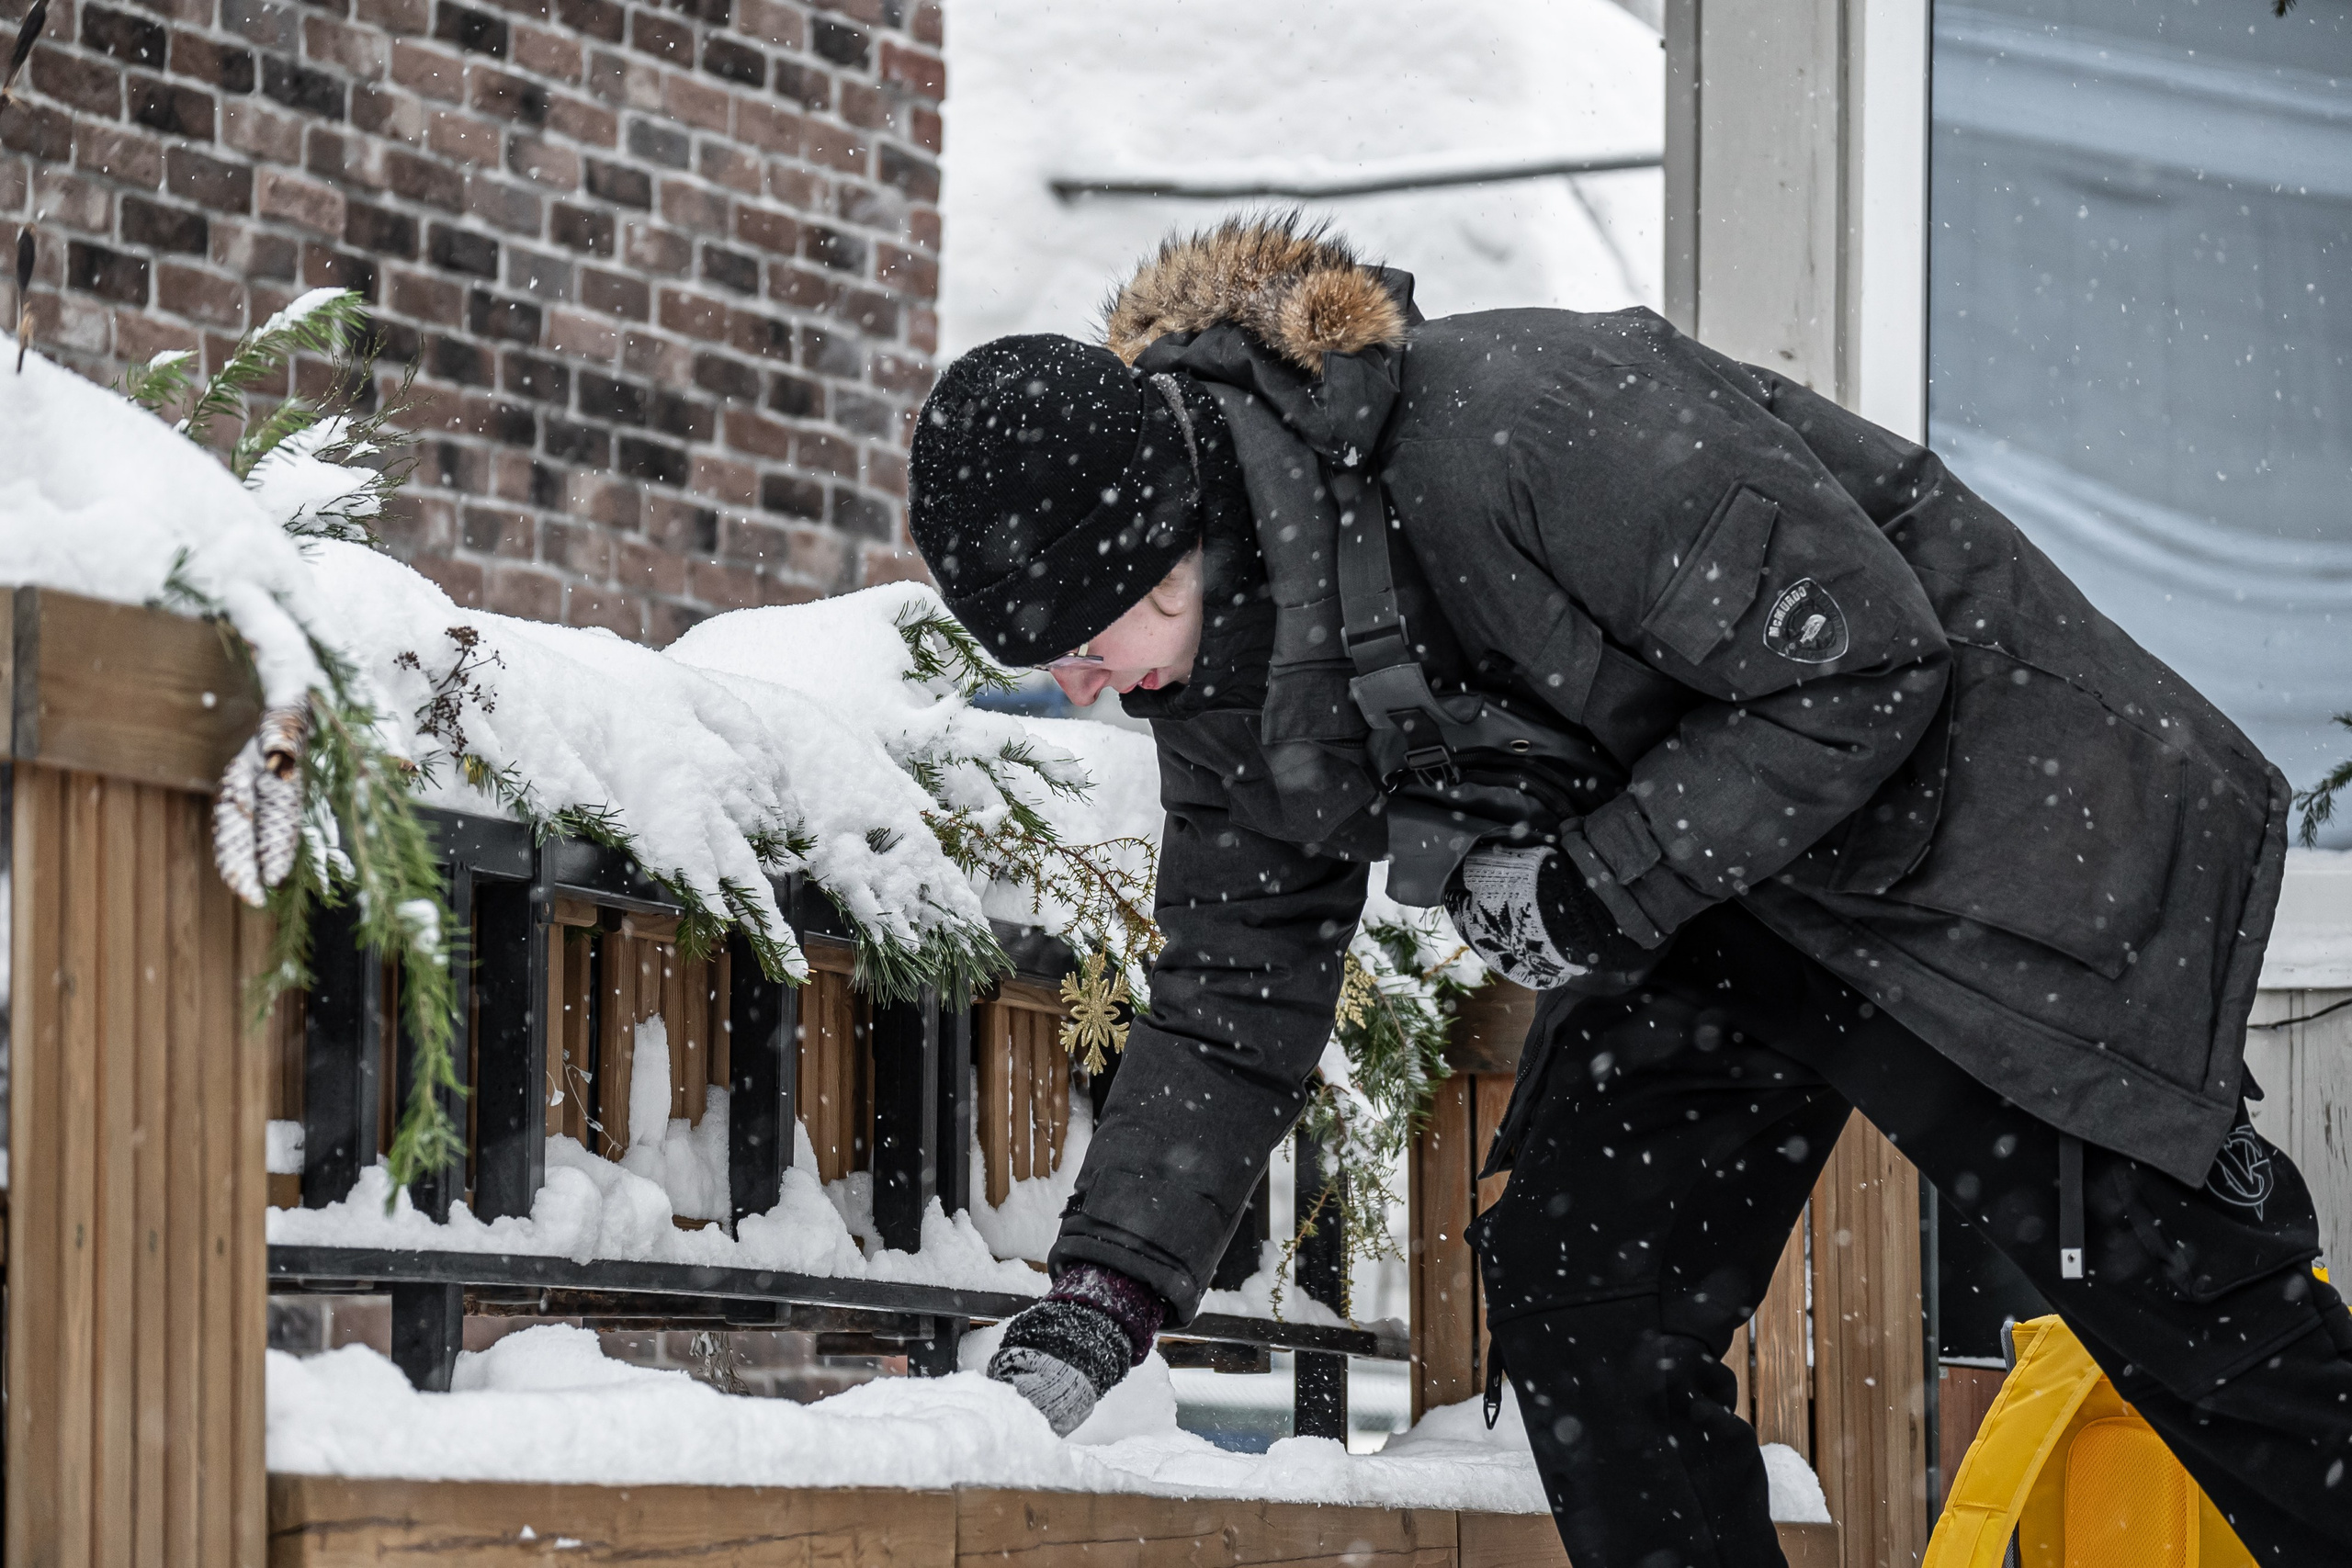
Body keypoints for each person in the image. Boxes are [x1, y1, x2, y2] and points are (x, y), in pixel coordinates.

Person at [904, 215, 2352, 1567]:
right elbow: (1235, 983)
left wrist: (1591, 887)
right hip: (1719, 911)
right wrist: (1108, 1292)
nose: (1083, 689)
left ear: (1177, 523)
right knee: (1586, 1297)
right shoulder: (1219, 685)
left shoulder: (1525, 422)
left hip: (1970, 841)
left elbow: (1865, 665)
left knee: (2192, 1315)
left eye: (1085, 641)